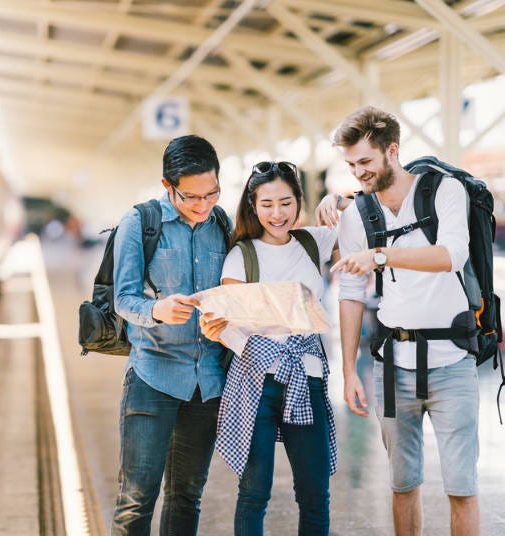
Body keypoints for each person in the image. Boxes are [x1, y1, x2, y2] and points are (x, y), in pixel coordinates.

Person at [325, 106, 480, 536]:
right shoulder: (357, 214)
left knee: (462, 487)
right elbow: (352, 294)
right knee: (402, 483)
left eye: (366, 162)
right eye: (352, 164)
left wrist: (381, 255)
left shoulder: (445, 191)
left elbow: (451, 256)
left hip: (453, 365)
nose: (358, 173)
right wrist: (349, 371)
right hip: (393, 369)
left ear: (392, 151)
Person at [202, 160, 337, 535]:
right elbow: (224, 325)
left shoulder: (314, 241)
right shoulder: (241, 256)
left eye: (285, 202)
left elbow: (364, 219)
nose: (277, 214)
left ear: (298, 201)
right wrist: (255, 346)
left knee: (315, 493)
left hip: (308, 379)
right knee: (254, 493)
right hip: (255, 383)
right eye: (266, 204)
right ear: (252, 205)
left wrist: (337, 198)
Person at [111, 134, 230, 535]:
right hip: (152, 377)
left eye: (211, 194)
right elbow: (123, 299)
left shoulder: (223, 224)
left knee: (186, 496)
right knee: (136, 499)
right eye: (191, 197)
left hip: (207, 384)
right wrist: (156, 310)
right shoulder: (139, 223)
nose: (202, 206)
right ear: (168, 186)